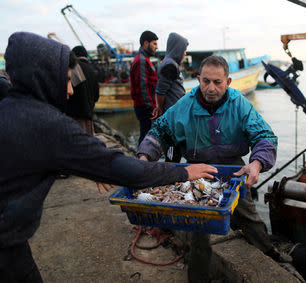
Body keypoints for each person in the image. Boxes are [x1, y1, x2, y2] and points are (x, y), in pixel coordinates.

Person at [0, 31, 217, 283]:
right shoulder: (46, 123)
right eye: (66, 80)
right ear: (42, 77)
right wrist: (184, 172)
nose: (70, 90)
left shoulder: (9, 102)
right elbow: (128, 171)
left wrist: (93, 161)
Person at [138, 55, 291, 282]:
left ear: (228, 82)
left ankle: (269, 254)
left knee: (249, 215)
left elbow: (265, 136)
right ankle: (198, 277)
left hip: (234, 170)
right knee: (199, 231)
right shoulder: (184, 105)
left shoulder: (240, 104)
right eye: (206, 81)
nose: (211, 88)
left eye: (217, 82)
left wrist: (257, 163)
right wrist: (143, 158)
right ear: (198, 79)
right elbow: (159, 130)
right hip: (196, 171)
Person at [151, 32, 189, 162]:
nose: (185, 53)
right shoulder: (170, 65)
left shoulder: (170, 63)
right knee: (172, 153)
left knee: (176, 150)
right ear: (178, 49)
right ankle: (170, 174)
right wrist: (160, 108)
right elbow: (160, 91)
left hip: (176, 115)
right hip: (172, 116)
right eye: (184, 50)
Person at [130, 30, 159, 145]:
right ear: (146, 43)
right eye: (154, 44)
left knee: (147, 135)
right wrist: (152, 108)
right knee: (146, 136)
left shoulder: (144, 59)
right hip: (145, 107)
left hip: (145, 106)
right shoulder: (142, 60)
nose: (157, 47)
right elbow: (143, 88)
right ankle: (143, 161)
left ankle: (143, 160)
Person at [66, 45, 100, 135]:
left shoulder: (73, 68)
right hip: (89, 118)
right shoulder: (92, 71)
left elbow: (72, 93)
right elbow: (96, 96)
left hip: (75, 118)